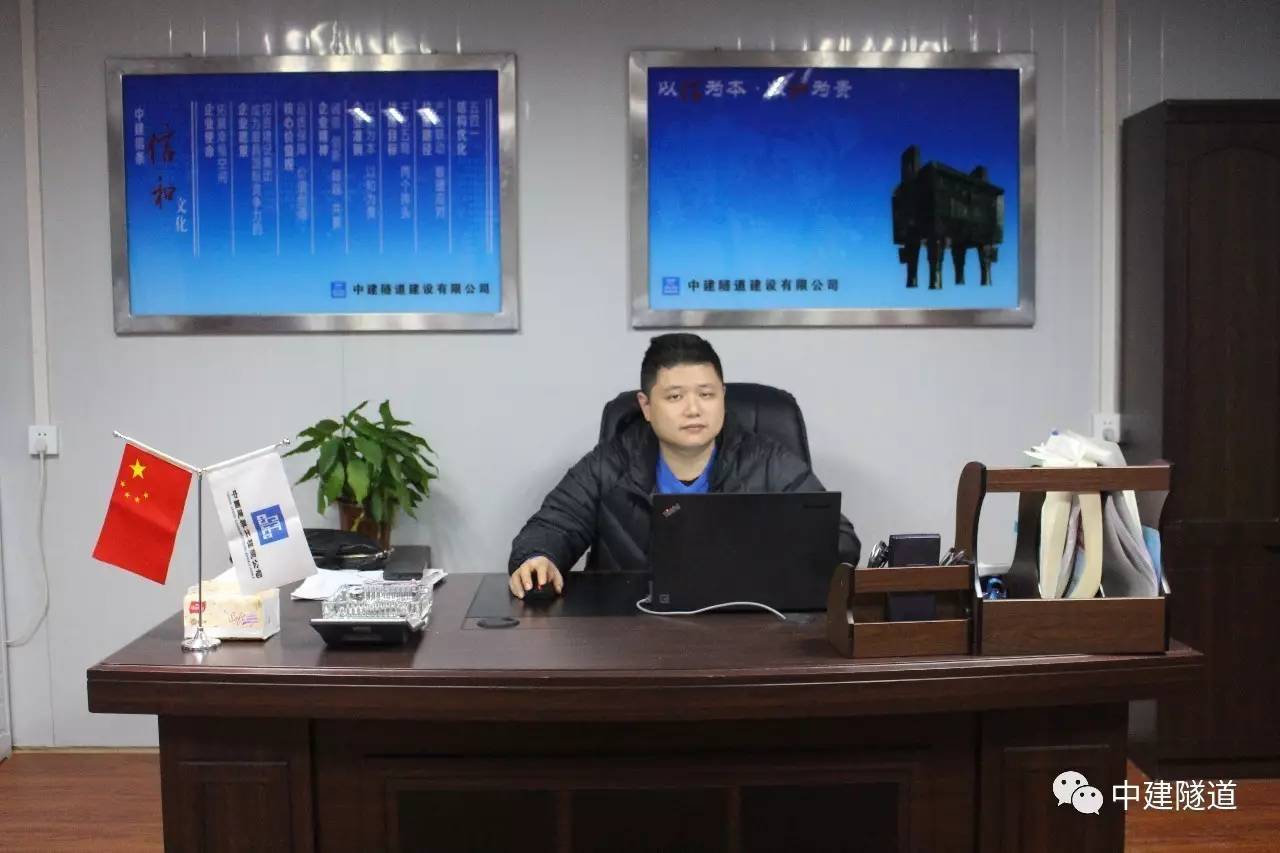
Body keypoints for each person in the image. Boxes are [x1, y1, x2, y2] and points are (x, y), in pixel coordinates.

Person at [507, 333, 860, 598]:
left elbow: (839, 539)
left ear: (722, 397)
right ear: (646, 406)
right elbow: (552, 525)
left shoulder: (766, 461)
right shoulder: (611, 463)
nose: (694, 409)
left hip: (745, 630)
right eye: (675, 397)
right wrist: (538, 557)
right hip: (628, 634)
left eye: (706, 394)